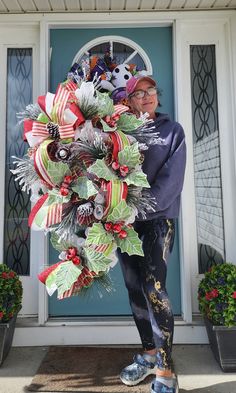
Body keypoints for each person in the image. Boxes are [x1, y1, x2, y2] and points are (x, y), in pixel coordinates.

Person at [119, 75, 186, 393]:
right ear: (129, 100)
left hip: (158, 221)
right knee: (134, 289)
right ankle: (147, 355)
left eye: (151, 92)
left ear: (157, 96)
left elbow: (172, 180)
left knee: (154, 288)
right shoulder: (119, 131)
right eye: (138, 93)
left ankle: (166, 371)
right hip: (124, 223)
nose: (146, 97)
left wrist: (139, 208)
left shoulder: (173, 131)